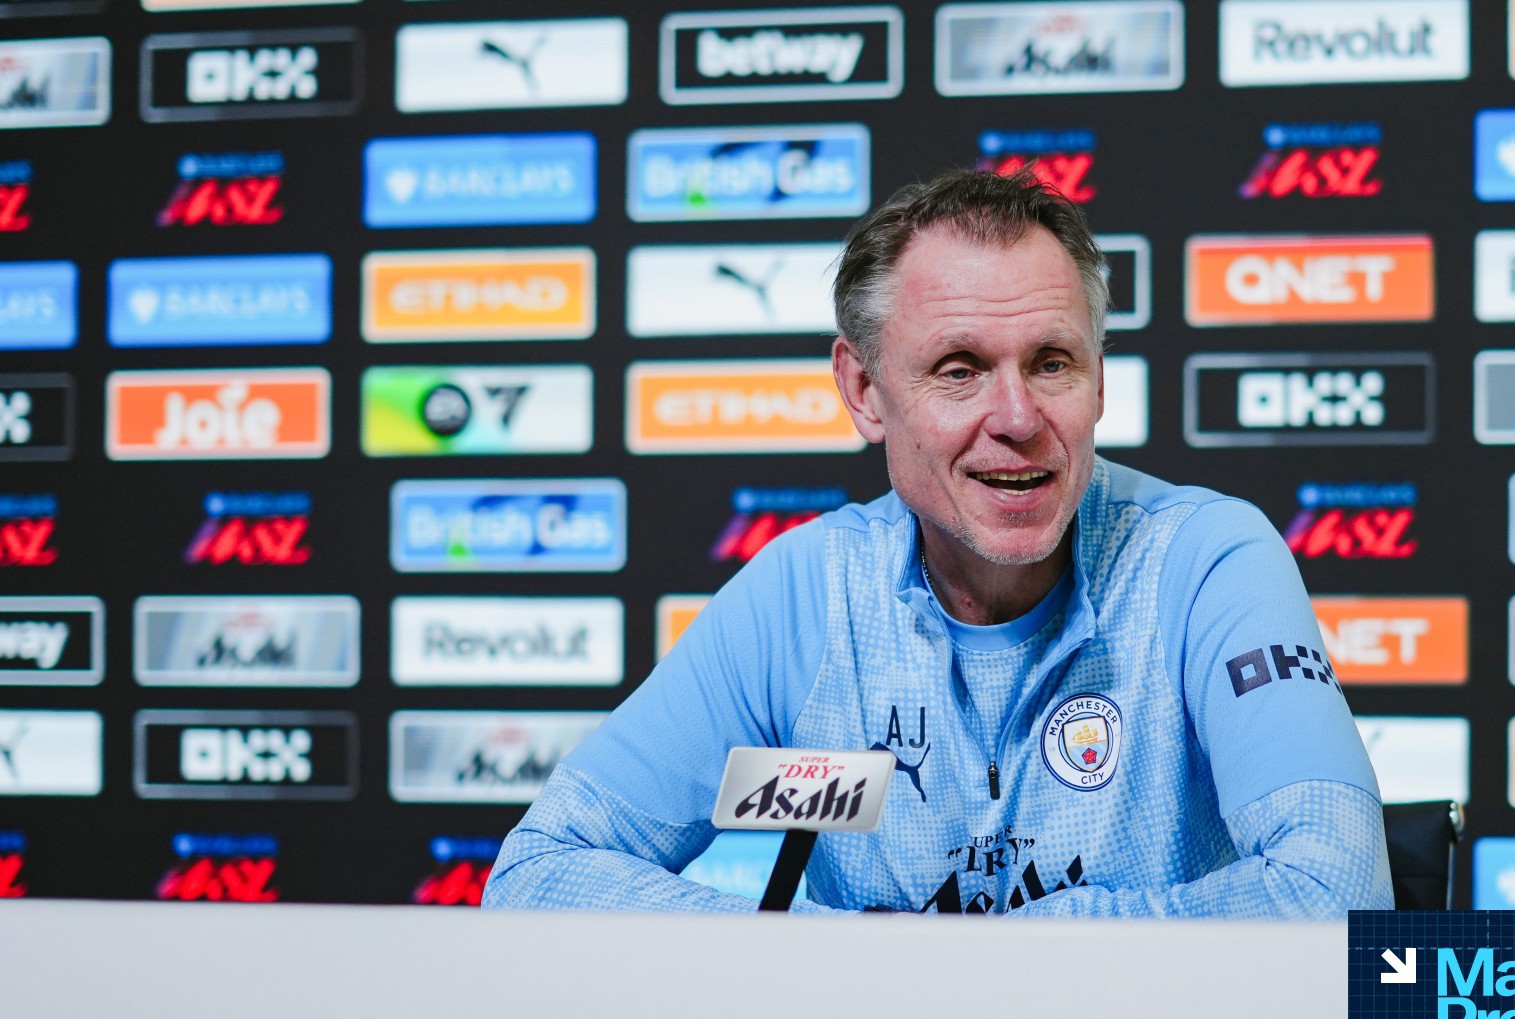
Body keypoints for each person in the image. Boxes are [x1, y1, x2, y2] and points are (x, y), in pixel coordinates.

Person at [483, 169, 1393, 917]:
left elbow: (1339, 893)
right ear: (864, 390)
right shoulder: (807, 593)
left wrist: (1017, 956)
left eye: (1052, 363)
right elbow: (540, 873)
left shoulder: (1207, 562)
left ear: (1099, 380)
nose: (1018, 418)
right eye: (960, 370)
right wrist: (838, 958)